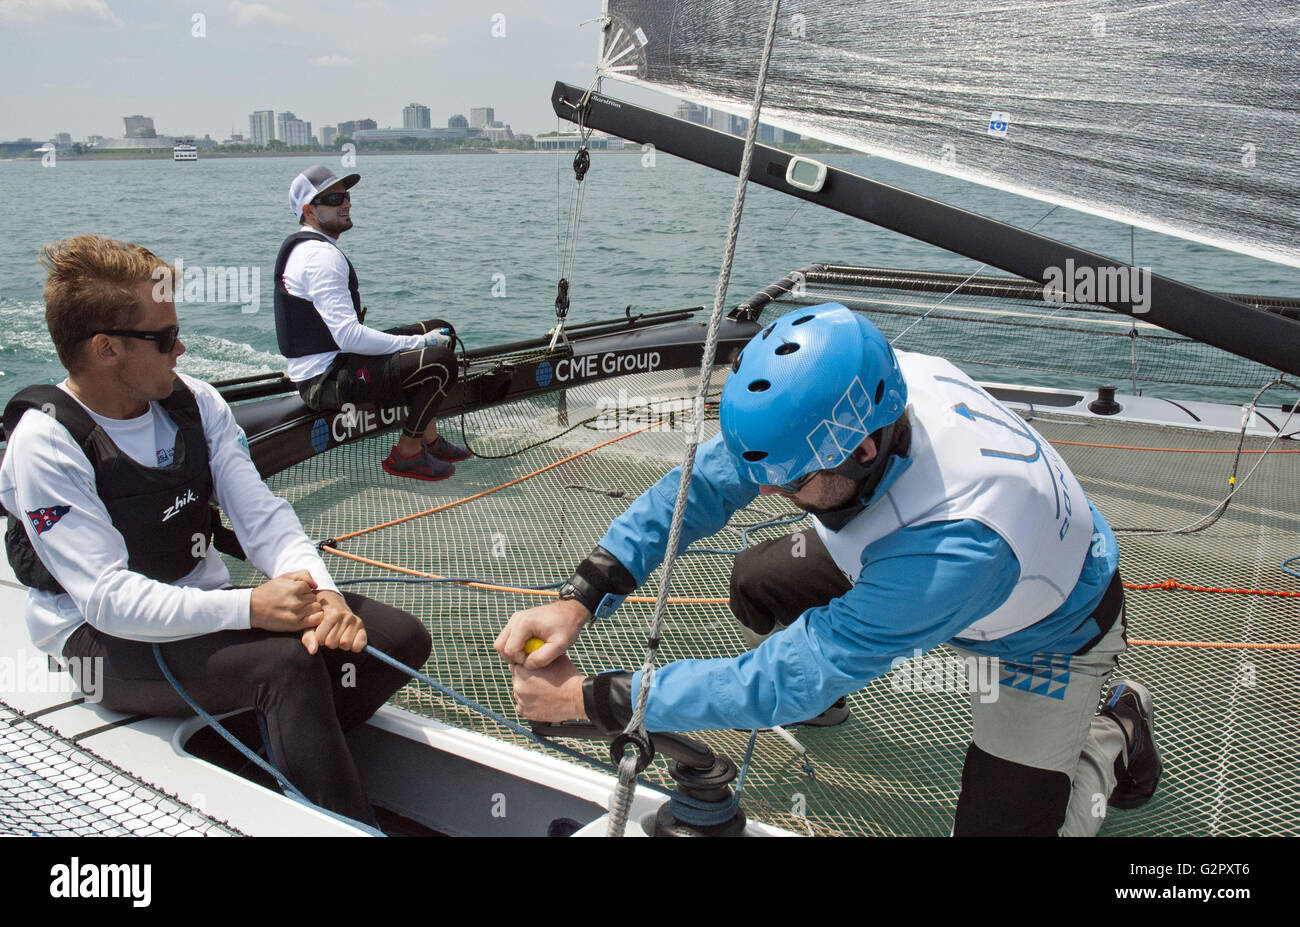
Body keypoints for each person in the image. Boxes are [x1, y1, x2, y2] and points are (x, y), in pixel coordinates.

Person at [497, 304, 1162, 837]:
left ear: (863, 451)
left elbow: (793, 672)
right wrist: (580, 596)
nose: (763, 492)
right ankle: (839, 697)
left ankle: (1113, 727)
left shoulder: (960, 540)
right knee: (759, 578)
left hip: (1045, 635)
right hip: (907, 556)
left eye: (787, 483)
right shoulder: (854, 391)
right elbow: (702, 489)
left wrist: (593, 699)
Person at [0, 235, 432, 826]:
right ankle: (341, 821)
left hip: (197, 607)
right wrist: (250, 608)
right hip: (100, 640)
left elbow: (262, 516)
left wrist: (324, 593)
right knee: (284, 667)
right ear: (104, 349)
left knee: (395, 639)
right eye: (161, 337)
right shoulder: (46, 442)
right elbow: (106, 598)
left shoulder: (197, 404)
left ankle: (258, 766)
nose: (179, 348)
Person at [275, 164, 469, 481]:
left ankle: (429, 439)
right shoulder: (320, 258)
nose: (346, 203)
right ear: (309, 210)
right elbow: (350, 337)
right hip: (323, 380)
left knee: (442, 327)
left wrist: (424, 338)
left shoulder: (313, 248)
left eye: (347, 195)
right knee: (440, 361)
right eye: (335, 198)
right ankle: (406, 454)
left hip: (334, 359)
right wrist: (420, 343)